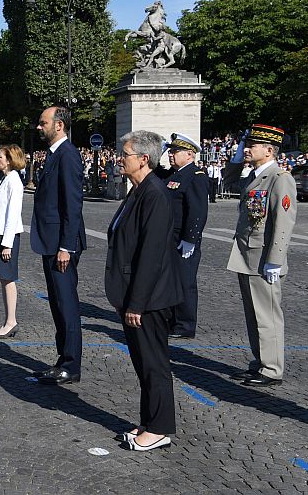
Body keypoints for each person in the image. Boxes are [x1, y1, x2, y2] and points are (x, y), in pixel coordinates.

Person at [105, 130, 183, 452]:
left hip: (150, 298)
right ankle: (149, 421)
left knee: (154, 364)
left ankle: (161, 427)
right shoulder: (138, 190)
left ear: (143, 159)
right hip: (136, 293)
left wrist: (136, 303)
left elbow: (151, 255)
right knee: (142, 363)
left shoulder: (155, 194)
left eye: (124, 154)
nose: (119, 159)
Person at [223, 124, 297, 387]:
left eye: (252, 145)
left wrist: (275, 260)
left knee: (267, 317)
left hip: (264, 259)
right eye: (247, 144)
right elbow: (228, 180)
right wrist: (238, 153)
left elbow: (283, 223)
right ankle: (260, 362)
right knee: (254, 315)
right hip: (247, 257)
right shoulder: (255, 175)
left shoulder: (280, 178)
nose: (247, 149)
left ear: (268, 150)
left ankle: (272, 368)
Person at [30, 106, 86, 385]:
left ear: (59, 125)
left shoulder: (68, 155)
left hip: (61, 245)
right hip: (51, 242)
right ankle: (63, 358)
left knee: (67, 304)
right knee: (57, 305)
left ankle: (72, 365)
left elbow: (73, 205)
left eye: (43, 123)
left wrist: (67, 246)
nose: (38, 128)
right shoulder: (55, 155)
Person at [156, 133, 209, 339]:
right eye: (170, 151)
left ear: (189, 154)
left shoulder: (196, 176)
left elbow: (197, 210)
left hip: (182, 238)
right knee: (170, 280)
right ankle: (172, 320)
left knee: (184, 281)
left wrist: (191, 239)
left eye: (175, 151)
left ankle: (185, 325)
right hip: (169, 237)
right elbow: (155, 175)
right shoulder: (174, 174)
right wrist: (156, 153)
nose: (171, 155)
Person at [0, 145, 25, 339]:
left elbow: (13, 214)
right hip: (0, 234)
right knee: (4, 278)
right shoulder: (6, 178)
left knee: (8, 278)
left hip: (6, 236)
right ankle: (9, 320)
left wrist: (7, 243)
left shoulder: (13, 181)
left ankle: (11, 322)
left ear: (9, 160)